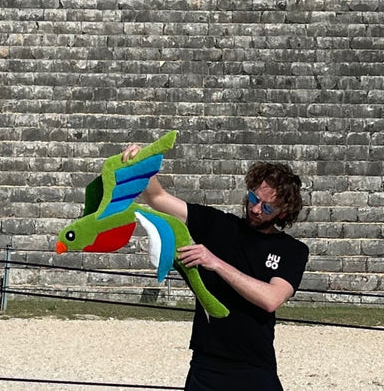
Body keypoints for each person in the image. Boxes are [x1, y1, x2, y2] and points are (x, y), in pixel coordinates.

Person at [123, 143, 309, 391]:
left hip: (253, 366)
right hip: (206, 363)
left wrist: (216, 263)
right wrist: (141, 165)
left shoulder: (292, 250)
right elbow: (157, 197)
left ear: (283, 213)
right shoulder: (218, 224)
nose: (255, 209)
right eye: (253, 198)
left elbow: (271, 299)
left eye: (266, 207)